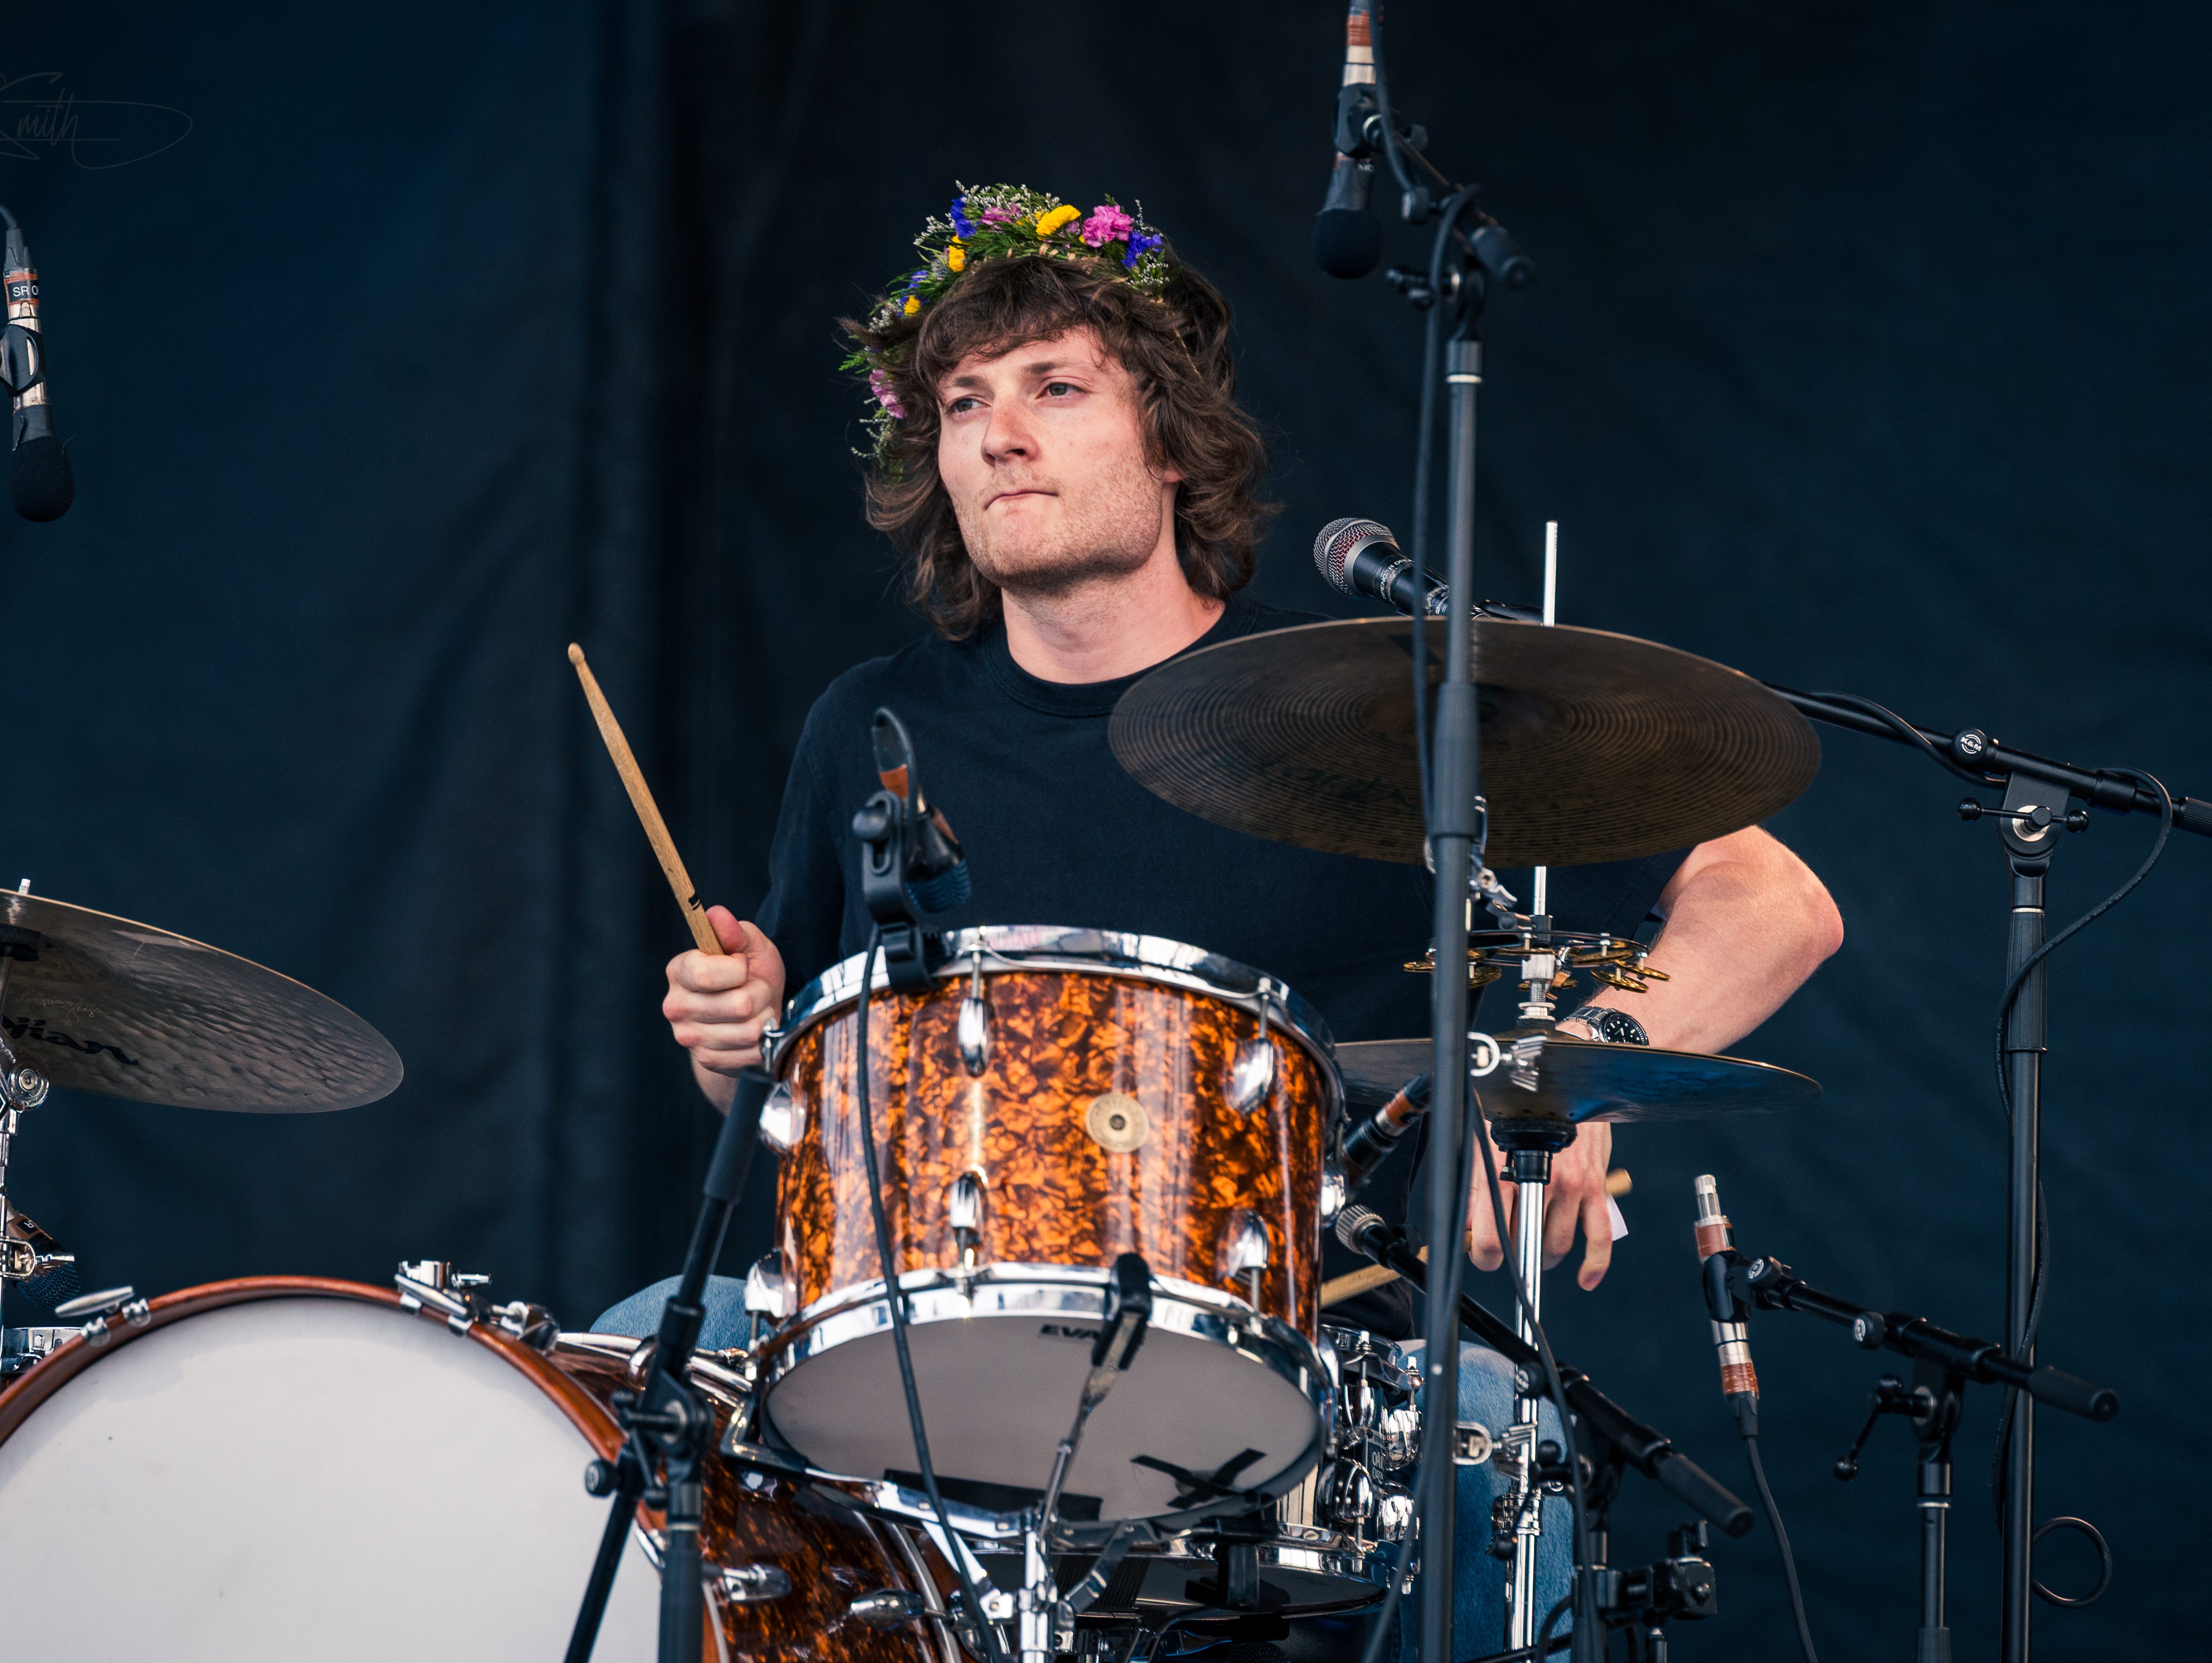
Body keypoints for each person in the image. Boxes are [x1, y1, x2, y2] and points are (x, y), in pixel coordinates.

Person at [644, 184, 1842, 1328]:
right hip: (936, 1342)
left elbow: (1773, 902)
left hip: (1297, 1376)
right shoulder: (870, 725)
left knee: (1478, 1438)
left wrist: (1569, 1070)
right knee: (631, 1366)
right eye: (963, 403)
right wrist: (735, 1038)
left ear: (1171, 446)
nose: (999, 436)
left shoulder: (1368, 709)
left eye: (1054, 388)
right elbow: (788, 1098)